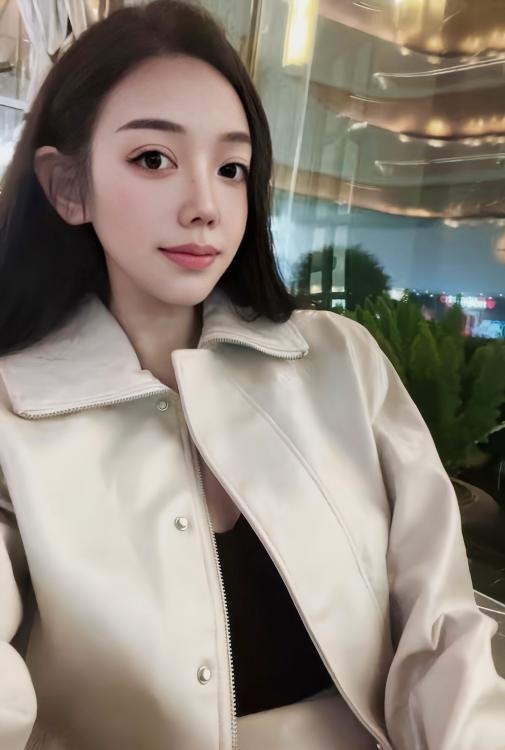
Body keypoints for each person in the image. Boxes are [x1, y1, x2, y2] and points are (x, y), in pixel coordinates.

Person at [0, 2, 503, 749]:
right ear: (68, 185)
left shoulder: (342, 362)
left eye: (231, 168)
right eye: (153, 159)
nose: (205, 206)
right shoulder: (14, 414)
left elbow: (440, 631)